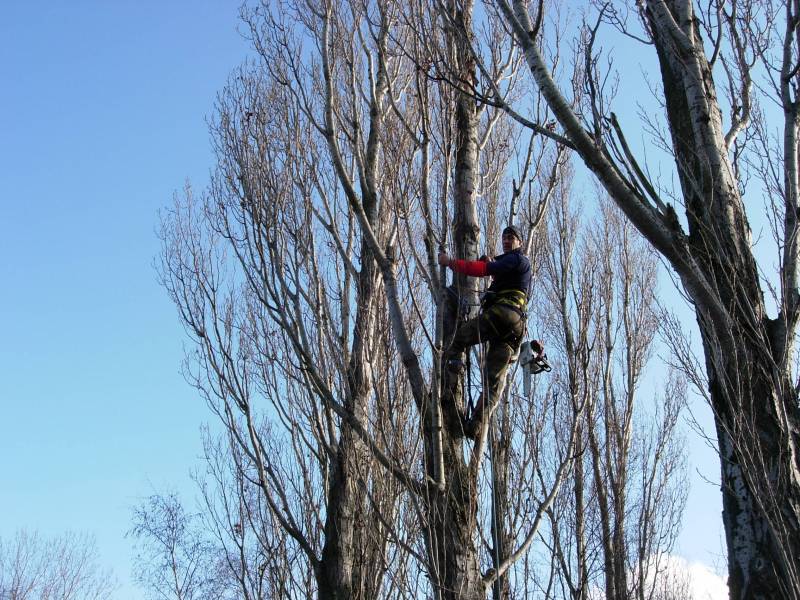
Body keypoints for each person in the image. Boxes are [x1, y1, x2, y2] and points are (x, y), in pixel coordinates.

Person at [437, 225, 531, 437]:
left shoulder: (517, 258)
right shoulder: (515, 268)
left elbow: (482, 270)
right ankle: (475, 426)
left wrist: (450, 263)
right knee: (493, 381)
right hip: (512, 330)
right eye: (504, 237)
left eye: (511, 238)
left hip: (503, 314)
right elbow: (495, 272)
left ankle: (451, 379)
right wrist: (492, 266)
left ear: (520, 243)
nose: (507, 241)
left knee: (458, 338)